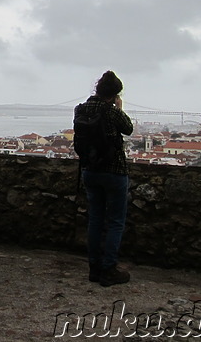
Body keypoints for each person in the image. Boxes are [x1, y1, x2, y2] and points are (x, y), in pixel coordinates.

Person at [74, 70, 134, 287]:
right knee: (116, 221)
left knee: (96, 219)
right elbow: (128, 129)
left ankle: (94, 268)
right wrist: (119, 108)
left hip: (90, 169)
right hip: (114, 170)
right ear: (115, 93)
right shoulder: (111, 110)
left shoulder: (81, 109)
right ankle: (109, 269)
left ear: (97, 89)